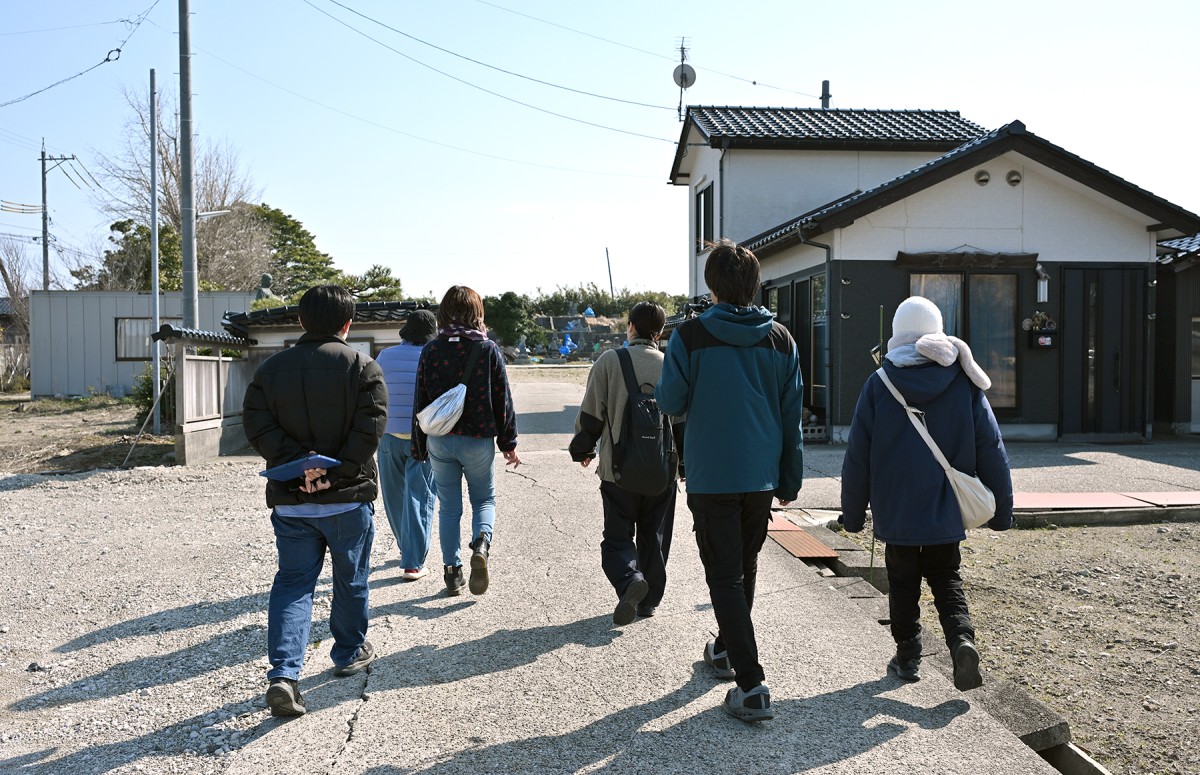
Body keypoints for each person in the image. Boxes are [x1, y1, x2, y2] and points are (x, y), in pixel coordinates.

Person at [655, 239, 804, 723]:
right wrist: (790, 476)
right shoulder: (781, 338)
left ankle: (752, 683)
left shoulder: (691, 336)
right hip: (760, 473)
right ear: (754, 282)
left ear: (711, 284)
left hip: (711, 472)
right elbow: (790, 416)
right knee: (744, 565)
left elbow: (671, 402)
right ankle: (724, 649)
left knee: (723, 574)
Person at [840, 296, 1014, 692]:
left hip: (897, 511)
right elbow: (992, 448)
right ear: (938, 331)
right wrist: (1002, 511)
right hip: (945, 510)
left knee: (902, 584)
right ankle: (961, 641)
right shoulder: (962, 382)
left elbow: (857, 457)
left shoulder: (879, 383)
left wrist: (852, 515)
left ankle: (907, 657)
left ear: (896, 334)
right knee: (946, 578)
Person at [242, 285, 388, 717]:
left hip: (292, 500)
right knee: (351, 577)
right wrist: (333, 472)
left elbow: (256, 424)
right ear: (348, 324)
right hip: (345, 499)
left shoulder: (271, 370)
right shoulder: (363, 367)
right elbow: (370, 428)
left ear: (301, 321)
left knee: (293, 584)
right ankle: (347, 652)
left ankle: (284, 675)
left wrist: (299, 466)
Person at [569, 301, 682, 626]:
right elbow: (682, 420)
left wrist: (583, 448)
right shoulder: (671, 366)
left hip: (618, 472)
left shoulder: (609, 362)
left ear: (630, 327)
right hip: (662, 472)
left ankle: (630, 580)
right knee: (654, 535)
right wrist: (685, 466)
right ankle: (648, 601)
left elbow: (591, 412)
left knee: (618, 538)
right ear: (659, 333)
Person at [412, 286, 521, 597]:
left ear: (444, 313)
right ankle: (482, 545)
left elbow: (420, 400)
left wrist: (419, 446)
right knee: (484, 499)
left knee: (448, 507)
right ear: (477, 313)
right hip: (477, 439)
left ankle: (452, 572)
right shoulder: (487, 349)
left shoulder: (431, 350)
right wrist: (508, 442)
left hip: (439, 439)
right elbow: (503, 399)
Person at [376, 309, 439, 580]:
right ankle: (413, 561)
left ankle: (407, 548)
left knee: (394, 497)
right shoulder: (434, 356)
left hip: (388, 436)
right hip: (422, 437)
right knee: (420, 496)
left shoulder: (385, 356)